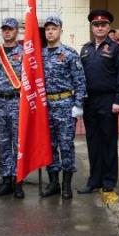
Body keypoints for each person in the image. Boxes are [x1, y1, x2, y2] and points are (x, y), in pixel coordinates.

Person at [79, 9, 119, 194]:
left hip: (108, 100)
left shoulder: (117, 48)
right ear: (92, 27)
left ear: (109, 27)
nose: (100, 28)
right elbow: (80, 76)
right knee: (93, 141)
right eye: (96, 25)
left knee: (108, 141)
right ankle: (94, 180)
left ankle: (109, 180)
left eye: (103, 25)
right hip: (89, 101)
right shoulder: (85, 49)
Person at [41, 16, 87, 200]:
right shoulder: (40, 55)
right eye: (47, 29)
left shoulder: (69, 53)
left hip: (65, 104)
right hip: (46, 106)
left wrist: (78, 104)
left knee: (66, 145)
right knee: (49, 146)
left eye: (54, 28)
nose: (50, 32)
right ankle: (53, 182)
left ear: (61, 30)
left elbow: (80, 81)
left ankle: (66, 184)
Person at [0, 17, 25, 198]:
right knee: (3, 143)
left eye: (10, 29)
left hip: (17, 102)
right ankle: (6, 179)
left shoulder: (25, 53)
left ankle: (18, 181)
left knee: (18, 143)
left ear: (16, 31)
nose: (7, 32)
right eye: (4, 29)